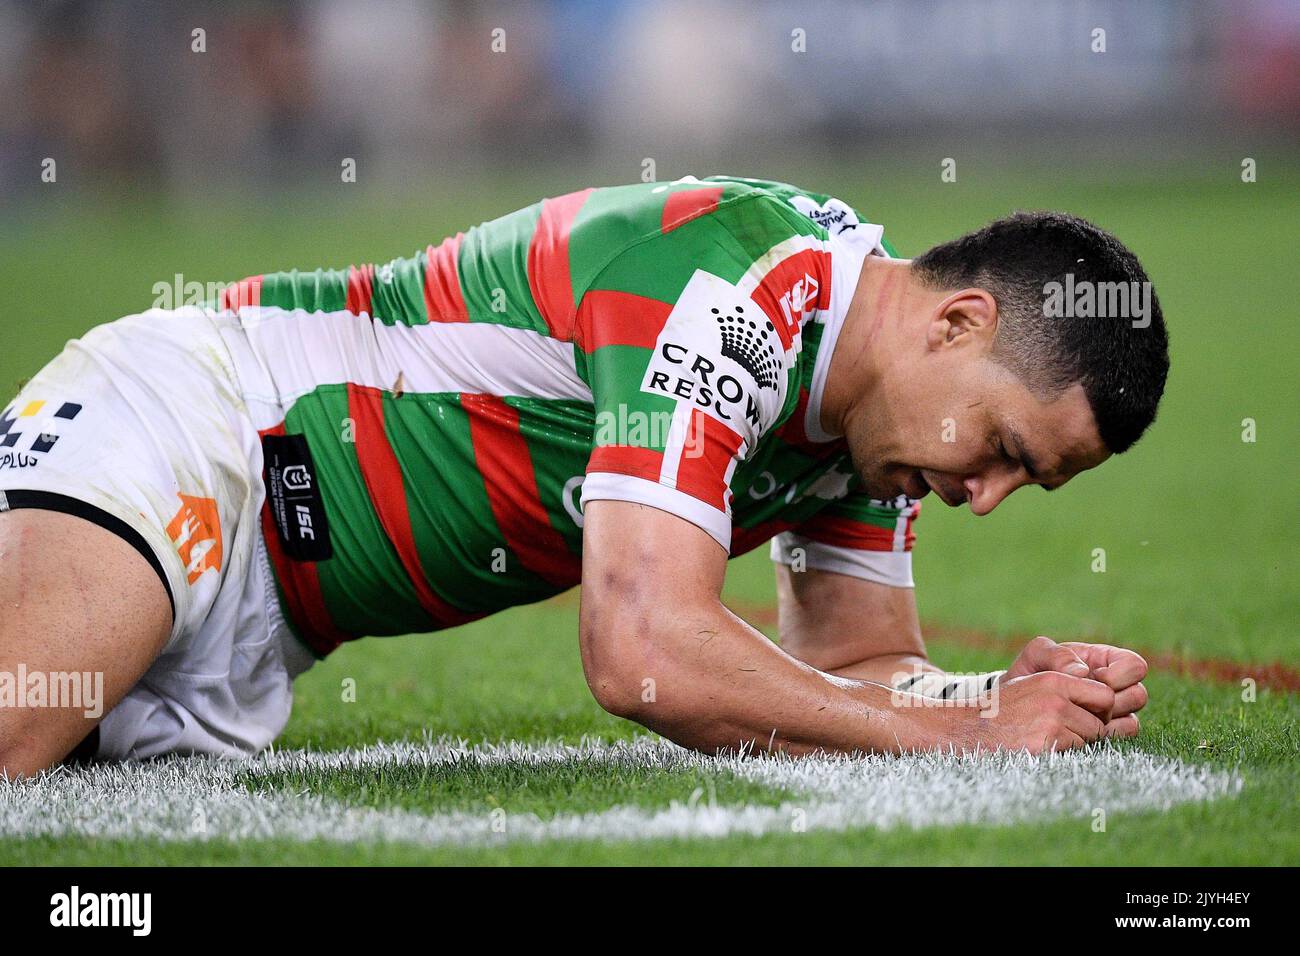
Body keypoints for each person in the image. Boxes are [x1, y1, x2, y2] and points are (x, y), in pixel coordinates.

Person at [0, 175, 1166, 775]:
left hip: (266, 625)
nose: (982, 496)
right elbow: (644, 652)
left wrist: (992, 697)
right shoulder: (735, 294)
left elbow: (856, 668)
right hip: (203, 427)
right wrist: (961, 737)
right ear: (957, 323)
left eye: (1026, 484)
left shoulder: (876, 426)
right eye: (1003, 449)